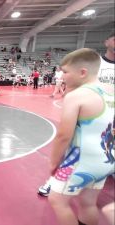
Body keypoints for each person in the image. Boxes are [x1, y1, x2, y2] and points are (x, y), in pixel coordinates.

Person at [38, 33, 115, 197]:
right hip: (89, 112)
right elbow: (74, 82)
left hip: (109, 114)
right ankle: (54, 180)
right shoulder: (94, 62)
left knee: (103, 149)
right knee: (76, 144)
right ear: (106, 41)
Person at [46, 48, 114, 225]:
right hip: (105, 160)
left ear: (82, 72)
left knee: (57, 200)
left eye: (65, 72)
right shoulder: (111, 90)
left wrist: (54, 162)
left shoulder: (77, 96)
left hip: (81, 161)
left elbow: (63, 135)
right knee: (88, 203)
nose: (62, 76)